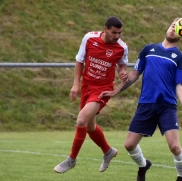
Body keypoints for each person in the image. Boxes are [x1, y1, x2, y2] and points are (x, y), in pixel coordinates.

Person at [99, 17, 182, 181]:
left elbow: (180, 85)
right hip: (146, 105)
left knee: (174, 146)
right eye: (172, 25)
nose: (172, 29)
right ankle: (143, 165)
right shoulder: (148, 50)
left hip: (166, 106)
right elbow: (133, 74)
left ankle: (181, 176)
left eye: (177, 28)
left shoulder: (179, 57)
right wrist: (115, 91)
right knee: (129, 145)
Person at [54, 16, 129, 173]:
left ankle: (71, 159)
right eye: (114, 32)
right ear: (105, 29)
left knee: (81, 120)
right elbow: (79, 61)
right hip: (87, 86)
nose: (117, 36)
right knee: (90, 127)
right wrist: (76, 84)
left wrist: (122, 73)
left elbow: (122, 65)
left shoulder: (122, 47)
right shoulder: (89, 38)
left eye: (120, 33)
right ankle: (108, 151)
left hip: (103, 89)